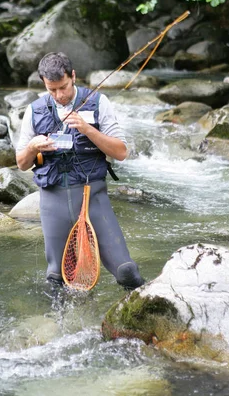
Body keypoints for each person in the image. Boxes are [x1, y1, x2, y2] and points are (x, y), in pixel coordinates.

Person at [16, 52, 144, 289]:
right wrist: (33, 147)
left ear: (73, 76)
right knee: (55, 278)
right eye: (52, 90)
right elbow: (21, 163)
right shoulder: (33, 111)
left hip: (92, 196)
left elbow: (121, 152)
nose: (59, 95)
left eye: (63, 87)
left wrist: (88, 130)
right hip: (52, 199)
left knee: (127, 272)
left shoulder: (99, 102)